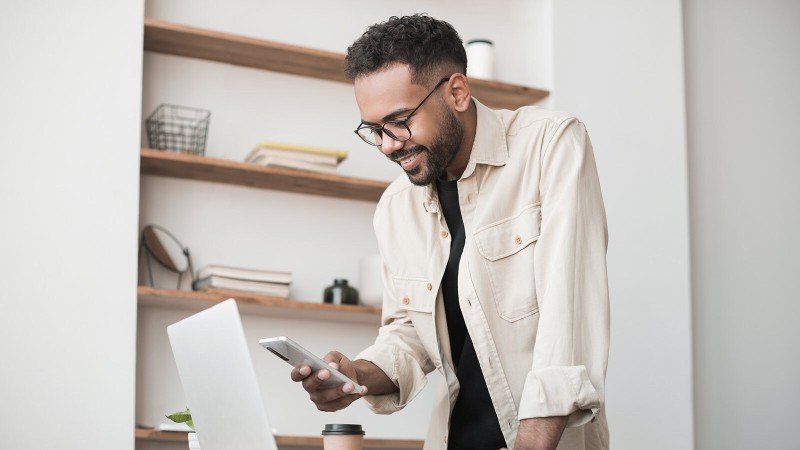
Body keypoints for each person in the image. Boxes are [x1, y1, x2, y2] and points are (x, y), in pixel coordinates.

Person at [291, 14, 610, 450]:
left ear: (457, 92)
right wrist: (355, 374)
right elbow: (408, 335)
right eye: (374, 129)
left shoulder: (549, 146)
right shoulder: (396, 207)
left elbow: (566, 321)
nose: (387, 144)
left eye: (400, 120)